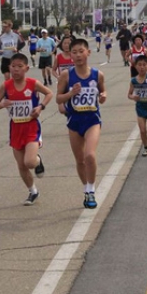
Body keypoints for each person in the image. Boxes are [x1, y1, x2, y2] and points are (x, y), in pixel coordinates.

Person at [0, 52, 52, 205]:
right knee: (21, 165)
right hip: (15, 129)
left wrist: (40, 107)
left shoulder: (33, 83)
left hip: (31, 127)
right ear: (9, 68)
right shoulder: (5, 86)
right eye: (13, 66)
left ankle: (38, 161)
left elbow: (49, 93)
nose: (16, 70)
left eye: (19, 66)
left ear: (26, 68)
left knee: (30, 162)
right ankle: (33, 192)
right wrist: (2, 104)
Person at [56, 37, 107, 209]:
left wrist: (103, 95)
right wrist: (71, 94)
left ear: (88, 52)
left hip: (92, 119)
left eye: (81, 51)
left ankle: (91, 190)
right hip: (74, 120)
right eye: (74, 52)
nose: (78, 55)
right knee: (79, 160)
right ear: (70, 55)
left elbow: (103, 90)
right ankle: (86, 189)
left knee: (90, 155)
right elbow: (58, 98)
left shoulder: (97, 74)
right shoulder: (66, 75)